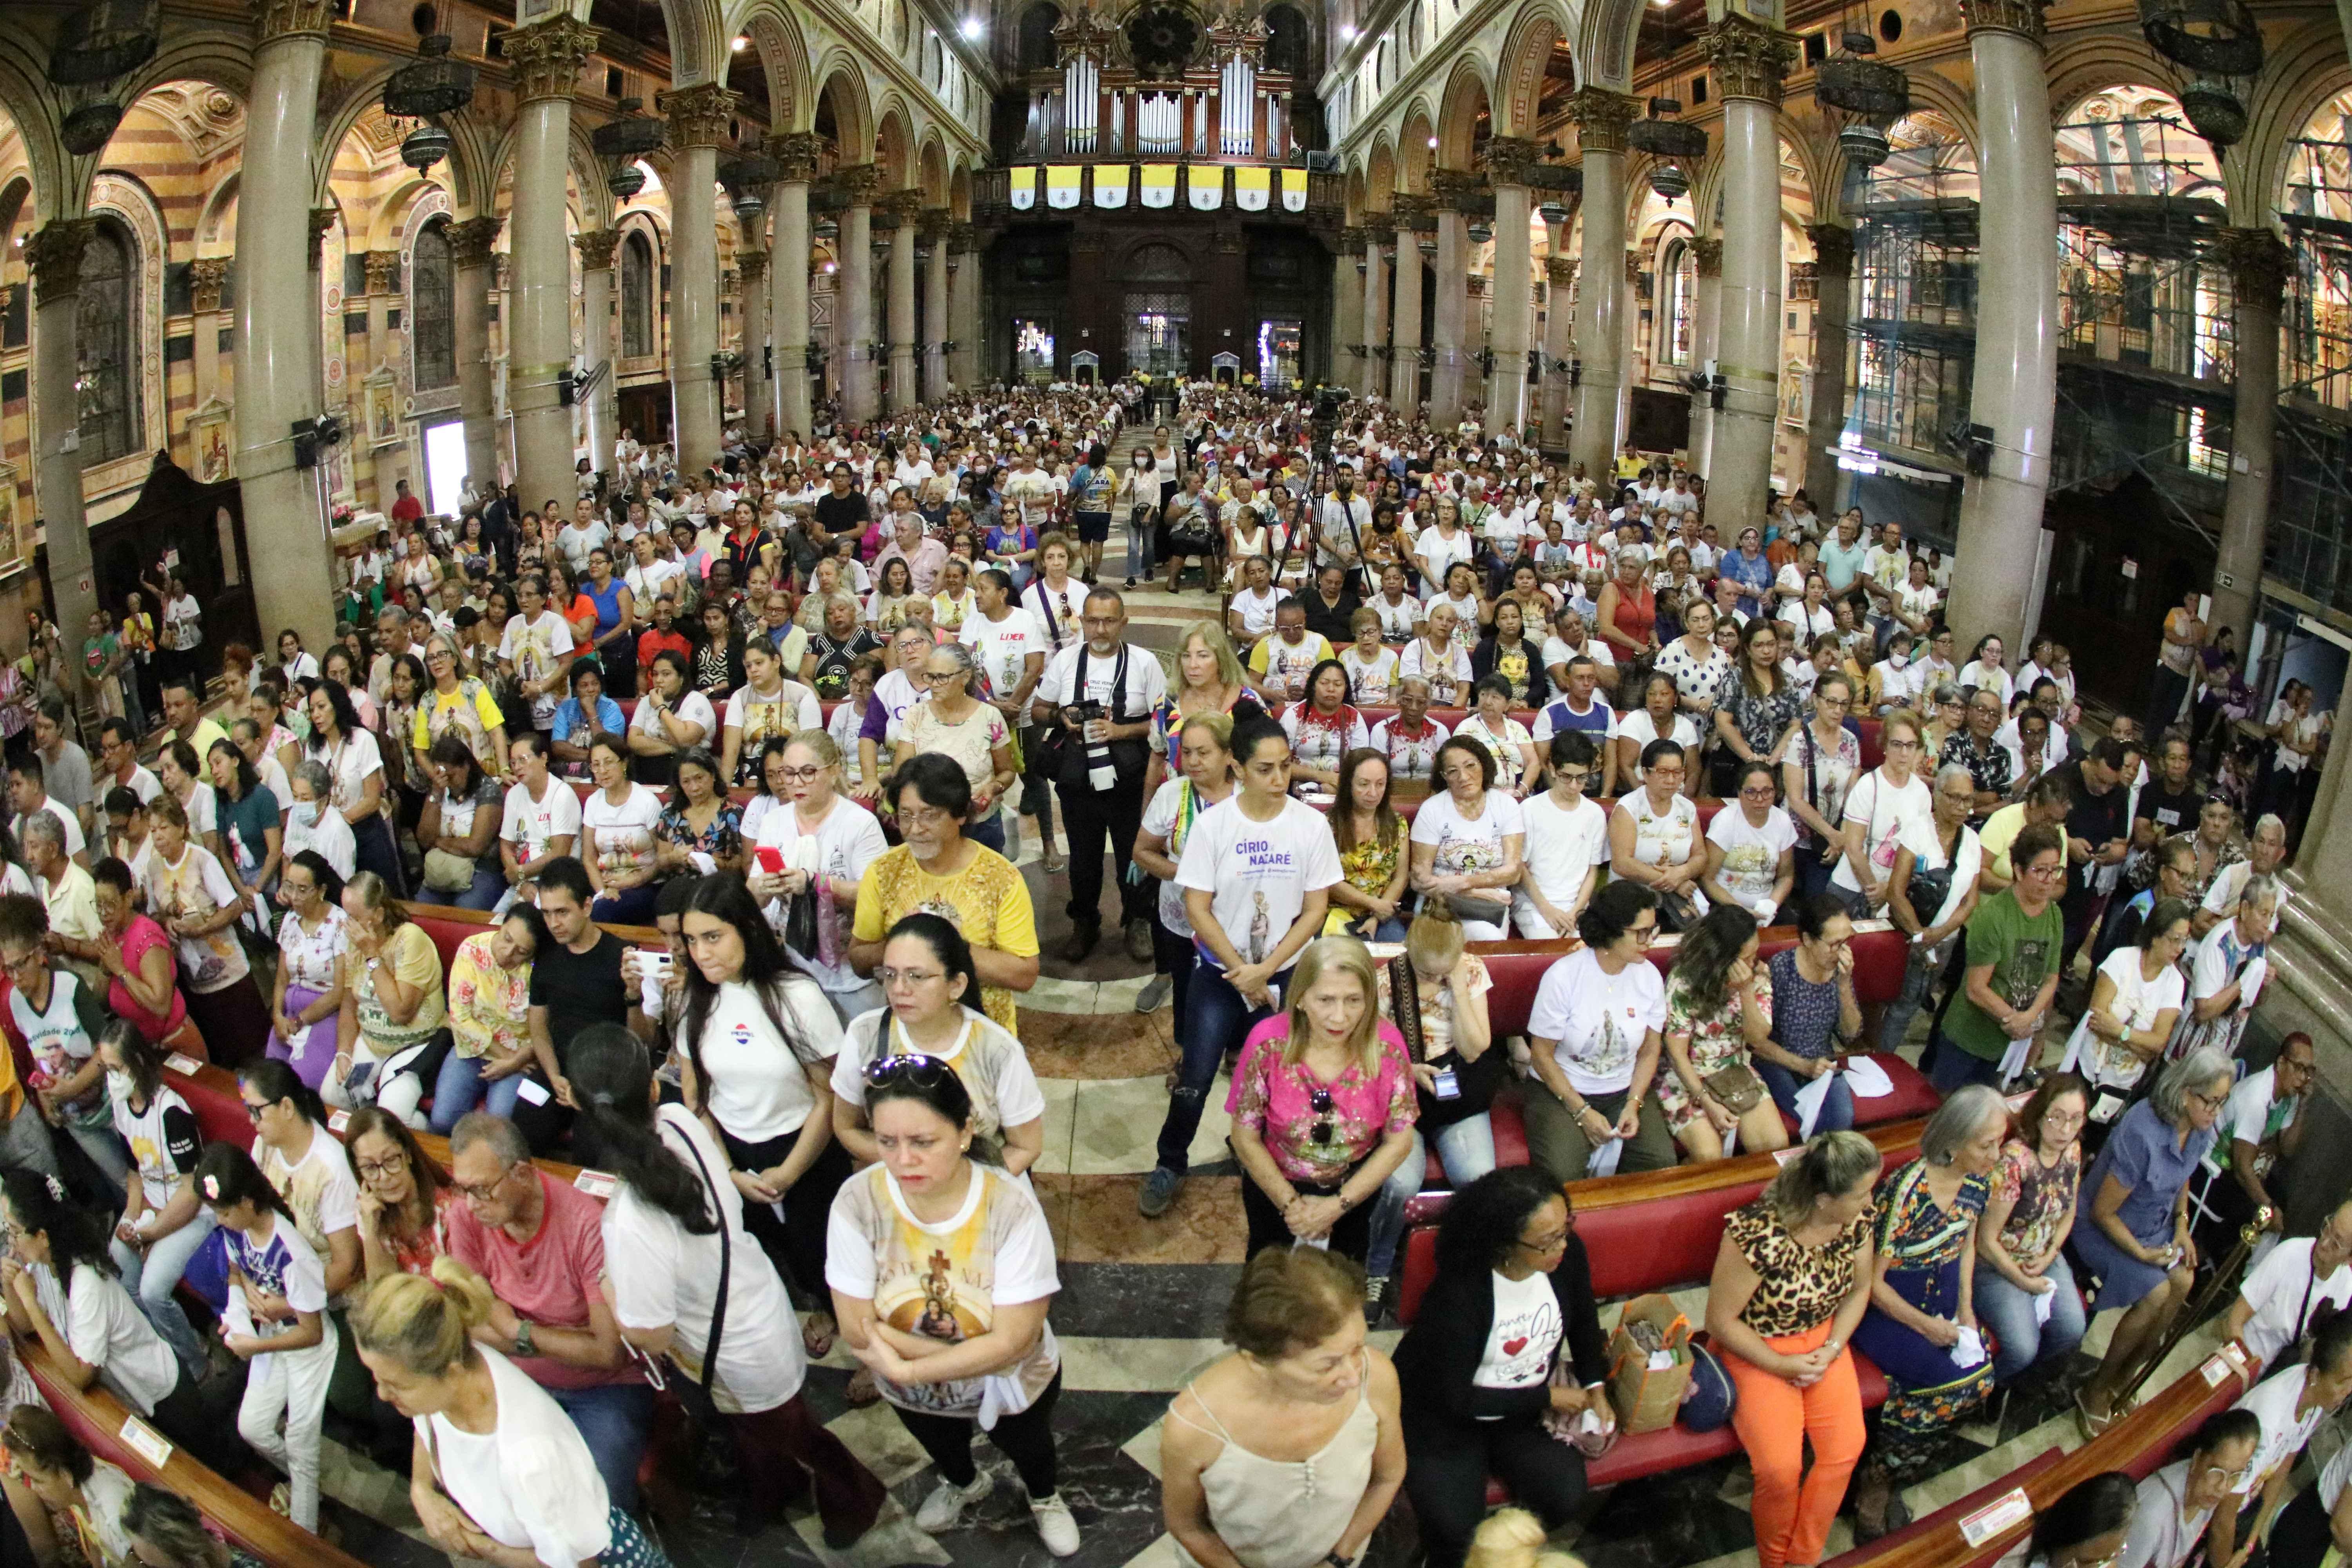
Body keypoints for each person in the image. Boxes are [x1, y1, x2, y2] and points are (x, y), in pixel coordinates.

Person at [567, 1024, 887, 1545]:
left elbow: (649, 1334)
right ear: (653, 1087)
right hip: (756, 1300)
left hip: (737, 1351)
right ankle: (775, 1490)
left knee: (797, 1435)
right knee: (763, 1436)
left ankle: (856, 1502)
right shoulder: (678, 1121)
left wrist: (606, 1287)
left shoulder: (631, 1220)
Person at [824, 1056, 1080, 1555]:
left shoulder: (1008, 1208)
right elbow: (855, 1328)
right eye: (887, 1142)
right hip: (910, 1390)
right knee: (943, 1446)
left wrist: (905, 1359)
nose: (903, 1161)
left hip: (1011, 1385)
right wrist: (940, 1359)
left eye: (923, 1142)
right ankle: (965, 1483)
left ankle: (1044, 1496)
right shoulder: (857, 1202)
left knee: (1030, 1447)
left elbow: (1013, 1343)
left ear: (965, 1132)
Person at [350, 1262, 673, 1568]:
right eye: (377, 1377)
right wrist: (421, 1489)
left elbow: (573, 1563)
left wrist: (481, 1547)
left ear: (452, 1373)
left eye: (395, 1384)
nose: (381, 1394)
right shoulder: (445, 1377)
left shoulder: (529, 1456)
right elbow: (428, 1422)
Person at [1144, 717, 1340, 1215]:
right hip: (1219, 973)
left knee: (1279, 1075)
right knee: (1197, 1073)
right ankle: (1170, 1160)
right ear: (1238, 766)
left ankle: (1269, 1154)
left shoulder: (1310, 824)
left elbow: (1315, 909)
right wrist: (1241, 970)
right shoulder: (1214, 825)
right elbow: (1197, 907)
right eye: (1266, 769)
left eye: (1286, 767)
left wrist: (1267, 968)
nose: (1280, 780)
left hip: (1285, 974)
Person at [1393, 1168, 1611, 1568]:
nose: (1563, 1245)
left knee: (1564, 1494)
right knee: (1457, 1533)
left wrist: (1595, 1383)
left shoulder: (1567, 1255)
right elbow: (1455, 1398)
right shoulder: (1460, 1294)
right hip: (1446, 1417)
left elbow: (1583, 1319)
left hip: (1518, 1410)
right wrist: (1549, 1396)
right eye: (1548, 1241)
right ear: (1505, 1244)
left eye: (1566, 1228)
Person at [443, 1111, 652, 1511]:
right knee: (497, 1488)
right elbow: (468, 1320)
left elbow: (608, 1352)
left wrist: (516, 1330)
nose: (472, 1204)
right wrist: (525, 1336)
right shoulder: (466, 1215)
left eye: (482, 1189)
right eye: (462, 1188)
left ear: (521, 1172)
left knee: (598, 1505)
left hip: (604, 1388)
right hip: (517, 1379)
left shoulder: (584, 1224)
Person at [1159, 1249, 1404, 1568]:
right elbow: (1188, 1527)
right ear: (1262, 1360)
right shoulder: (1194, 1426)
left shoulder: (1378, 1377)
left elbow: (1388, 1476)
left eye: (1358, 1348)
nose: (1353, 1376)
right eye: (1328, 1365)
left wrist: (1338, 1559)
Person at [1708, 1130, 1878, 1568]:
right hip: (1758, 1347)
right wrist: (1782, 1365)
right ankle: (1775, 1559)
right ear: (1823, 1198)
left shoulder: (1857, 1219)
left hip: (1824, 1339)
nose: (1871, 1202)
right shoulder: (1756, 1232)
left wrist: (1835, 1345)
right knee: (1780, 1471)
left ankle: (1803, 1558)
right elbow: (1721, 1321)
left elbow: (1861, 1289)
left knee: (1845, 1449)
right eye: (1862, 1193)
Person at [1846, 1085, 2007, 1537]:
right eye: (1986, 1144)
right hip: (1889, 1311)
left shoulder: (1977, 1180)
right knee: (1958, 1387)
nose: (1996, 1154)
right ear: (1953, 1144)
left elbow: (1967, 1245)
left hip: (1940, 1301)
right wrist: (1928, 1327)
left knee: (1979, 1378)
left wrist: (1966, 1309)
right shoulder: (1906, 1191)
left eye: (1999, 1141)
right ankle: (1877, 1484)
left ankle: (1886, 1469)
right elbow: (1871, 1285)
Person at [1225, 935, 1417, 1262]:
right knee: (1270, 1281)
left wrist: (1336, 1206)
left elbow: (1399, 1142)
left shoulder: (1387, 1049)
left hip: (1353, 1196)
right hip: (1275, 1190)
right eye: (1326, 1000)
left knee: (1339, 1282)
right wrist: (1292, 1206)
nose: (1340, 1017)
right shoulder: (1267, 1044)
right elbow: (1245, 1137)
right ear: (1300, 998)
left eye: (1354, 1000)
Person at [2074, 1047, 2236, 1434]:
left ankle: (2124, 1378)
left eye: (2222, 1101)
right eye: (2211, 1101)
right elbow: (2102, 1212)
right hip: (2106, 1230)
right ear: (2186, 1094)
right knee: (2156, 1294)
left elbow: (2183, 1176)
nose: (2216, 1111)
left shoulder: (2197, 1128)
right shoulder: (2142, 1131)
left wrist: (2182, 1227)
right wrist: (2141, 1253)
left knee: (2184, 1280)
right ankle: (2095, 1389)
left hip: (2155, 1227)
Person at [0, 1169, 208, 1450]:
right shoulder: (43, 1265)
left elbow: (81, 1376)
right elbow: (24, 1326)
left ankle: (240, 1376)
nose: (11, 1244)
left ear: (42, 1237)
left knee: (216, 1455)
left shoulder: (86, 1281)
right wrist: (10, 1285)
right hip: (135, 1401)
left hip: (163, 1393)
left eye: (13, 1232)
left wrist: (30, 1303)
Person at [193, 1142, 340, 1530]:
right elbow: (236, 1273)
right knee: (253, 1427)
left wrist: (256, 1345)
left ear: (245, 1202)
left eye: (224, 1211)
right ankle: (311, 1481)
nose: (220, 1220)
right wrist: (238, 1316)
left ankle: (305, 1537)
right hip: (273, 1334)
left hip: (307, 1348)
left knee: (300, 1445)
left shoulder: (290, 1250)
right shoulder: (238, 1230)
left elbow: (312, 1332)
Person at [849, 753, 1040, 1033]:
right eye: (906, 816)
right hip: (907, 1034)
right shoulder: (883, 873)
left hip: (984, 1034)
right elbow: (859, 960)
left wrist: (944, 945)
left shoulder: (1000, 878)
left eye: (930, 815)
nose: (915, 829)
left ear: (961, 814)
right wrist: (905, 943)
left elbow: (1024, 975)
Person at [1030, 590, 1165, 963]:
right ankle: (1085, 923)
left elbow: (1164, 722)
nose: (1100, 629)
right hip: (1079, 774)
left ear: (1124, 621)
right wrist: (1061, 717)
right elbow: (1039, 709)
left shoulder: (1144, 662)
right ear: (1081, 621)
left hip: (1130, 774)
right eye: (1092, 621)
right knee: (1084, 859)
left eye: (1109, 621)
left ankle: (1138, 920)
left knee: (1133, 855)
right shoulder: (1066, 660)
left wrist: (1120, 731)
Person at [1522, 881, 1678, 1182]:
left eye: (1653, 930)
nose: (1650, 941)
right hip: (1562, 1090)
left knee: (1660, 1163)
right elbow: (1541, 1056)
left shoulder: (1650, 978)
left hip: (1622, 1089)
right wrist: (1581, 1112)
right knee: (1563, 1174)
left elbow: (1649, 1051)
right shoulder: (1564, 976)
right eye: (1641, 933)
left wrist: (1634, 1103)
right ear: (1611, 931)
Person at [96, 1019, 212, 1374]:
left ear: (139, 1063)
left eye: (116, 1069)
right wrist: (131, 1219)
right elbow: (135, 1173)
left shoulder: (171, 1112)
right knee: (120, 1270)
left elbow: (192, 1192)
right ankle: (174, 1345)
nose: (111, 1078)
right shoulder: (121, 1107)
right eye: (106, 1069)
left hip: (191, 1212)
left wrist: (150, 1234)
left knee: (152, 1290)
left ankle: (197, 1362)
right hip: (152, 1207)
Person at [518, 857, 641, 1151]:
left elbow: (642, 1040)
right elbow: (538, 1026)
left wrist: (634, 996)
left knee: (591, 1147)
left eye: (562, 912)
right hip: (557, 1070)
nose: (553, 924)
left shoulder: (620, 955)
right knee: (521, 1129)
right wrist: (554, 1076)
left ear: (587, 907)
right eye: (546, 914)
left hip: (604, 1077)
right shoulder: (546, 956)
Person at [1935, 823, 2069, 1093]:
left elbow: (2052, 977)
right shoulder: (1994, 916)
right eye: (2040, 871)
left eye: (2055, 870)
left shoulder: (2054, 915)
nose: (2049, 879)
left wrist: (2030, 1017)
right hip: (1971, 1037)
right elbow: (1976, 989)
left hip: (2011, 1042)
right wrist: (2014, 1020)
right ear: (2018, 871)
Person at [141, 794, 271, 1066]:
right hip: (193, 978)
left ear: (181, 828)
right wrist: (167, 923)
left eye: (164, 828)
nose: (158, 836)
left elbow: (233, 907)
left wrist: (201, 930)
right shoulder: (153, 868)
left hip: (228, 974)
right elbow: (154, 911)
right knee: (220, 1058)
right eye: (153, 830)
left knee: (252, 1053)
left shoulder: (201, 860)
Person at [2213, 1315, 2352, 1568]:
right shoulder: (2269, 1420)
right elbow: (2222, 1515)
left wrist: (2252, 1541)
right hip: (2214, 1512)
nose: (2348, 1392)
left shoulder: (2312, 1402)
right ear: (2317, 1374)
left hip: (2245, 1515)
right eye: (2343, 1383)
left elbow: (2280, 1472)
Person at [1658, 904, 1788, 1163]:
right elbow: (1677, 1054)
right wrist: (1707, 1103)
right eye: (1746, 958)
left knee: (1775, 1146)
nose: (1753, 963)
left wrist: (1746, 991)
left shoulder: (1758, 975)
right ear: (1722, 958)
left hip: (1734, 1070)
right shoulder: (1683, 982)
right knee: (1709, 1156)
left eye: (1755, 955)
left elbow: (1758, 1038)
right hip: (1687, 1076)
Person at [1134, 709, 1238, 1029]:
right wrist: (1188, 877)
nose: (1193, 761)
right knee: (1186, 985)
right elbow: (1142, 852)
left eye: (1204, 753)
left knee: (1235, 982)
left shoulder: (1249, 796)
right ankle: (1187, 1048)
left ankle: (1235, 1047)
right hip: (1181, 911)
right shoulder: (1171, 793)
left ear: (1228, 755)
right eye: (1187, 752)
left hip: (1235, 913)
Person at [324, 870, 448, 1127]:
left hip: (416, 1044)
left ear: (379, 915)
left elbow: (400, 1012)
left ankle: (425, 1136)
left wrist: (372, 956)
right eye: (346, 916)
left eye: (354, 918)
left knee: (391, 1117)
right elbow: (348, 1005)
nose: (347, 926)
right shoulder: (353, 944)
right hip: (372, 1043)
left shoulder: (410, 939)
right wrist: (344, 1052)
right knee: (333, 1096)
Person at [2068, 898, 2192, 1127]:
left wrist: (2120, 1031)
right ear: (2155, 936)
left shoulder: (2175, 983)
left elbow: (2157, 1045)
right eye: (2175, 939)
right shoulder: (2122, 959)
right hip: (2087, 1068)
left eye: (2185, 940)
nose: (2180, 948)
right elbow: (2096, 1020)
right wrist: (2141, 1047)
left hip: (2121, 1085)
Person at [1755, 893, 1866, 1136]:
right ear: (1808, 939)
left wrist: (1845, 985)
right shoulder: (1782, 968)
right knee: (1813, 1117)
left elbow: (1851, 1034)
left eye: (1847, 941)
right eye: (1833, 944)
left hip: (1822, 1061)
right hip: (1779, 1060)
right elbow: (1758, 1043)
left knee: (1842, 1119)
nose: (1841, 951)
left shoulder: (1841, 971)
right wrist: (1804, 1066)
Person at [1410, 737, 1524, 943]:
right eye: (1453, 771)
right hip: (1440, 906)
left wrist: (1460, 884)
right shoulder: (1432, 809)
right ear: (1444, 777)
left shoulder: (1506, 806)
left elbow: (1513, 873)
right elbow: (1420, 880)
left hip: (1490, 909)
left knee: (1487, 935)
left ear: (1483, 764)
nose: (1464, 777)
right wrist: (1480, 893)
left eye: (1470, 766)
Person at [2112, 1410, 2261, 1568]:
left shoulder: (2205, 1495)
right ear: (2197, 1458)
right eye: (2216, 1472)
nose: (2223, 1487)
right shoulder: (2151, 1519)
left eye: (2236, 1475)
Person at [305, 679, 402, 895]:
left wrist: (340, 821)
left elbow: (372, 800)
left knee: (381, 898)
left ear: (338, 705)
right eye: (312, 710)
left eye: (322, 707)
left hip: (365, 830)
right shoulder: (313, 748)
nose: (316, 715)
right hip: (331, 837)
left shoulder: (362, 740)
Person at [2173, 872, 2276, 1063]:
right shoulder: (2220, 943)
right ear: (2245, 909)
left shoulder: (2258, 945)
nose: (2268, 923)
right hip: (2190, 1053)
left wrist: (2265, 982)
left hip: (2220, 1054)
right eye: (2263, 914)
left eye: (2271, 915)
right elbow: (2203, 1011)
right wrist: (2243, 981)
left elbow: (2255, 1001)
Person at [347, 1105, 456, 1282]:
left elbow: (464, 1287)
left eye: (390, 1160)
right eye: (370, 1167)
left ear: (408, 1155)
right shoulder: (368, 1206)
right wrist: (371, 1232)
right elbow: (381, 1288)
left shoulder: (449, 1205)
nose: (384, 1177)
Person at [1610, 740, 1707, 928]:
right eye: (1663, 772)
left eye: (1677, 773)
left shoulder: (1687, 808)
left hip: (1678, 893)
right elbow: (1622, 863)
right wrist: (1672, 882)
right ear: (1645, 773)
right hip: (1631, 894)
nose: (1671, 780)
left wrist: (1681, 873)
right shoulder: (1629, 807)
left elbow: (1701, 856)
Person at [414, 733, 506, 911]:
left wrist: (440, 842)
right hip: (443, 868)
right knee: (423, 909)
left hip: (481, 869)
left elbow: (475, 846)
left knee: (466, 908)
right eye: (441, 776)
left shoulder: (487, 791)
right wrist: (436, 795)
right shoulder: (439, 790)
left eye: (451, 775)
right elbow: (425, 840)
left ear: (466, 767)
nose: (447, 781)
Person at [579, 732, 664, 923]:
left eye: (609, 762)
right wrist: (602, 892)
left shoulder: (647, 802)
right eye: (597, 765)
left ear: (624, 763)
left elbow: (663, 857)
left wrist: (637, 880)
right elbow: (589, 858)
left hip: (644, 885)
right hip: (605, 884)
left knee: (602, 912)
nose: (603, 770)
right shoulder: (593, 803)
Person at [1705, 759, 1799, 926]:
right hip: (1727, 906)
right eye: (1751, 792)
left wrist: (1772, 905)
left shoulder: (1783, 821)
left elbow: (1786, 877)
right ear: (1740, 794)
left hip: (1767, 907)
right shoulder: (1725, 821)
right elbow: (1708, 879)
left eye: (1767, 791)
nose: (1760, 799)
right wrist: (1740, 910)